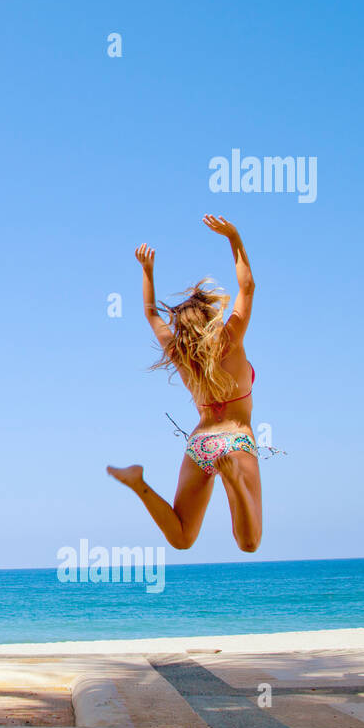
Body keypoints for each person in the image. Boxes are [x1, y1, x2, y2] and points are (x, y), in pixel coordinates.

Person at [107, 215, 262, 552]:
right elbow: (247, 287)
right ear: (211, 316)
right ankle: (232, 480)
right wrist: (233, 236)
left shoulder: (180, 352)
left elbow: (151, 314)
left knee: (182, 538)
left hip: (200, 443)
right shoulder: (231, 338)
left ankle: (139, 484)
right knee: (249, 543)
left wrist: (147, 272)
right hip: (236, 439)